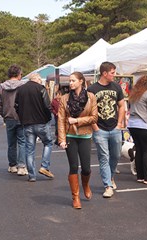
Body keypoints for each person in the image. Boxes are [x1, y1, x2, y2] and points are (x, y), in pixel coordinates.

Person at [58, 72, 98, 209]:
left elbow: (94, 118)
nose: (70, 83)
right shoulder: (64, 98)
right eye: (69, 81)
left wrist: (77, 120)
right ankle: (75, 197)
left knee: (86, 168)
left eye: (73, 80)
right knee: (73, 166)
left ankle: (86, 185)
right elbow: (61, 120)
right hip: (70, 135)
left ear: (81, 81)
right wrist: (61, 139)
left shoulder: (91, 97)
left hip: (85, 134)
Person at [87, 61, 125, 198]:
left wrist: (119, 123)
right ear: (104, 73)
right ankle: (107, 186)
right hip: (100, 129)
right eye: (112, 73)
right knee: (104, 157)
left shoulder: (116, 87)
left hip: (115, 127)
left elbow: (121, 105)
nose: (114, 75)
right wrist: (95, 127)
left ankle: (111, 176)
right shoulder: (92, 89)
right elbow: (88, 110)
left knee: (116, 156)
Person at [15, 73, 54, 182]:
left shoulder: (21, 89)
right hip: (41, 122)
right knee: (48, 143)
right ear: (36, 79)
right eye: (40, 80)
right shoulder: (41, 89)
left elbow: (16, 105)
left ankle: (32, 175)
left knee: (29, 149)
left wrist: (22, 117)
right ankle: (44, 166)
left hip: (27, 123)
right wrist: (48, 118)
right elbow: (47, 105)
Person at [127, 75, 147, 185]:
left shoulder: (134, 94)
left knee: (139, 150)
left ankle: (140, 176)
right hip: (143, 124)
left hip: (132, 124)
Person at [0, 64, 27, 176]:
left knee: (11, 143)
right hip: (21, 116)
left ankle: (12, 165)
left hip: (8, 117)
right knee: (22, 142)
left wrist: (3, 114)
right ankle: (21, 166)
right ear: (19, 74)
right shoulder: (23, 86)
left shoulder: (2, 87)